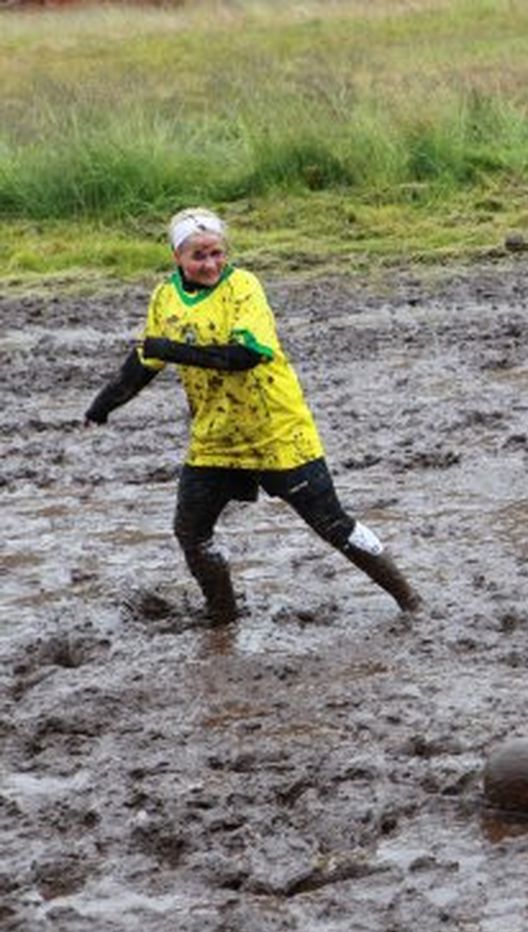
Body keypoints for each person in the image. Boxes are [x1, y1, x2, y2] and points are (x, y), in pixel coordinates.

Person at [83, 207, 420, 624]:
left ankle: (410, 601)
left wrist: (168, 350)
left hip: (276, 431)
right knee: (191, 532)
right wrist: (102, 406)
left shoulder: (244, 287)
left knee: (332, 524)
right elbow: (144, 360)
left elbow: (242, 356)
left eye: (217, 253)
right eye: (198, 256)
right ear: (176, 257)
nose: (210, 264)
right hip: (215, 437)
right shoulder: (165, 298)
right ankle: (223, 618)